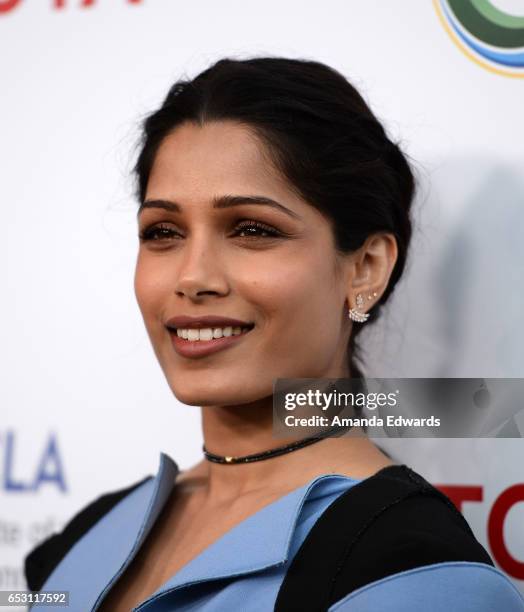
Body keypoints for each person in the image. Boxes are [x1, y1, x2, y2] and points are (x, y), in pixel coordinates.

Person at [24, 56, 524, 611]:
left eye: (252, 229)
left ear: (365, 268)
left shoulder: (415, 571)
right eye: (163, 231)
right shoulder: (85, 537)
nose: (192, 277)